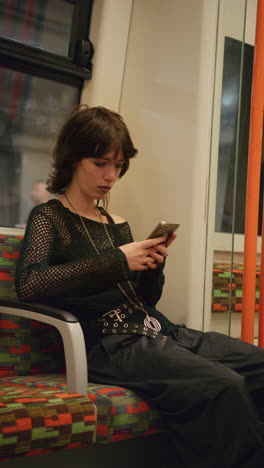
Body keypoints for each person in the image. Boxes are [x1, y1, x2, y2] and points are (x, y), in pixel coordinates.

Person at [15, 104, 264, 468]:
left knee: (258, 366)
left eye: (118, 166)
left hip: (158, 330)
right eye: (101, 163)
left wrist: (151, 267)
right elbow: (30, 283)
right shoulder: (49, 217)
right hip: (108, 343)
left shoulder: (116, 222)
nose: (111, 176)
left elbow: (144, 298)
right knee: (222, 385)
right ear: (72, 158)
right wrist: (119, 260)